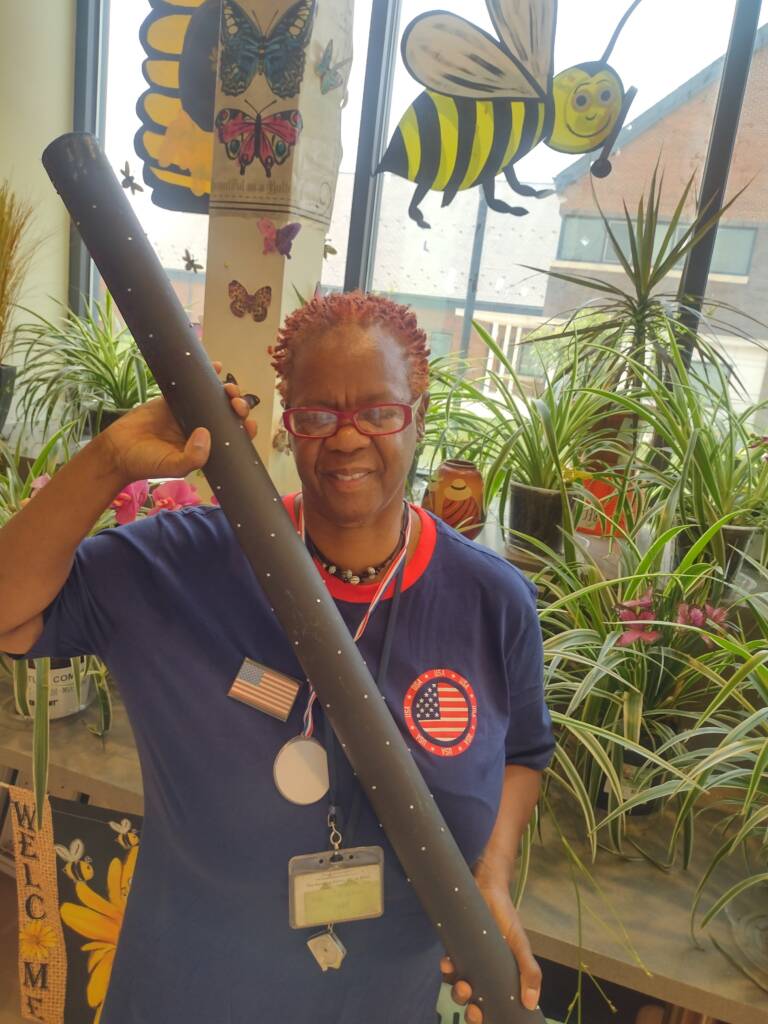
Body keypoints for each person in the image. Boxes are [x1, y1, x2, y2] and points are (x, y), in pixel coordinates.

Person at [0, 291, 554, 1024]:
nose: (349, 438)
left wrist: (491, 874)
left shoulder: (491, 600)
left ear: (418, 415)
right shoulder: (182, 566)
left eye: (380, 412)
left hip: (382, 1005)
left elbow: (524, 750)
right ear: (289, 426)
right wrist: (108, 461)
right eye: (319, 414)